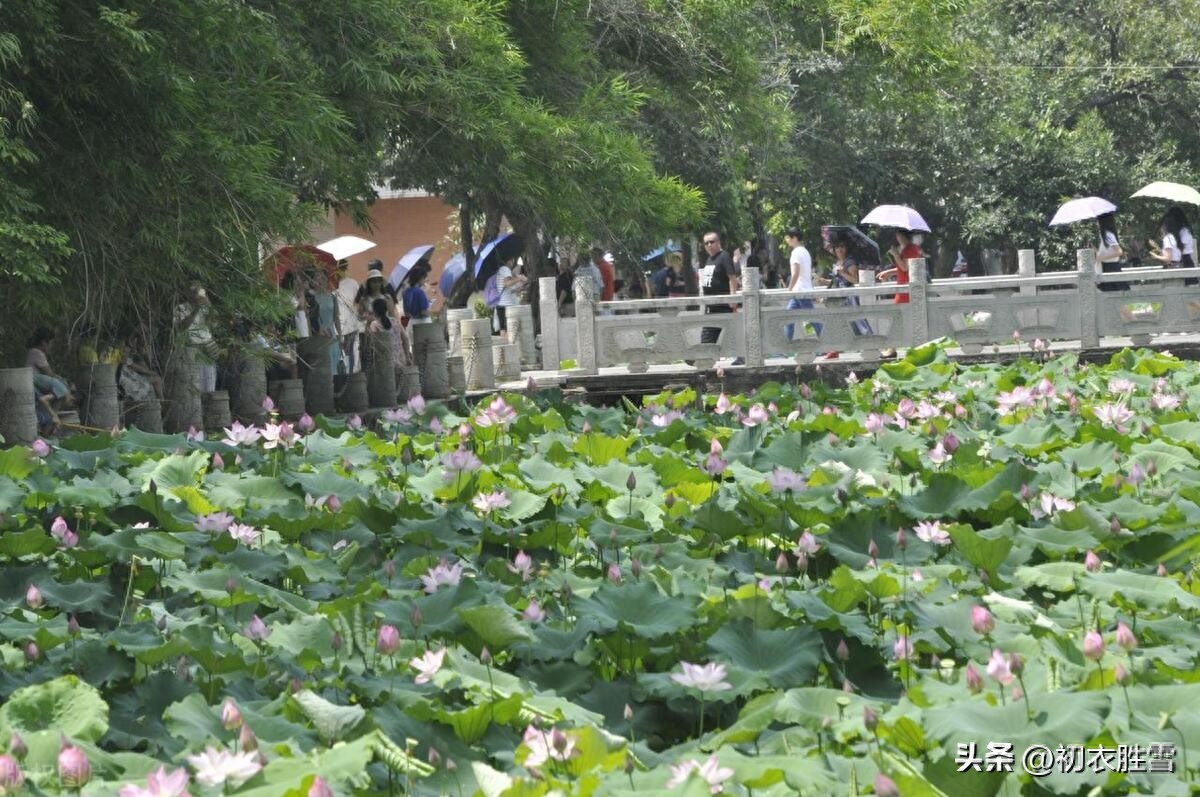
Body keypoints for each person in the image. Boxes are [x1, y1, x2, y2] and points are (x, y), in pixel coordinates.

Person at [174, 283, 218, 393]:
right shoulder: (180, 308)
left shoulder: (206, 308)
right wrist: (196, 309)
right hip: (191, 349)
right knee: (194, 383)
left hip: (208, 347)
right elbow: (181, 327)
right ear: (189, 294)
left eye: (201, 293)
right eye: (196, 293)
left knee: (209, 382)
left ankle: (209, 405)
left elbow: (215, 324)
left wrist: (208, 304)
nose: (198, 296)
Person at [698, 230, 738, 346]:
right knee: (710, 334)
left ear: (718, 242)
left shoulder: (724, 256)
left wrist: (733, 299)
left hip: (723, 305)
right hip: (711, 304)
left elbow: (732, 278)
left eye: (712, 242)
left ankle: (703, 355)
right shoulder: (709, 259)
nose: (709, 245)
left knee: (711, 334)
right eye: (706, 243)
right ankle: (704, 356)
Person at [25, 326, 75, 412]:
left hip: (37, 380)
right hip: (34, 379)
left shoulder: (34, 352)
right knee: (61, 385)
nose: (51, 346)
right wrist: (66, 382)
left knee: (61, 385)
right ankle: (58, 409)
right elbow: (49, 373)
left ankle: (54, 413)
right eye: (51, 343)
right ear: (44, 343)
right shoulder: (37, 353)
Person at [783, 226, 815, 343]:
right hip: (801, 291)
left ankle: (824, 343)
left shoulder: (796, 253)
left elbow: (795, 273)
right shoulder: (805, 251)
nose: (787, 240)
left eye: (788, 237)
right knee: (788, 318)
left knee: (812, 320)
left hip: (800, 291)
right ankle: (786, 344)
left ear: (794, 238)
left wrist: (789, 289)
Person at [335, 259, 364, 374]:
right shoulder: (331, 286)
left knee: (350, 351)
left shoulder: (352, 283)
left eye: (344, 268)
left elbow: (358, 301)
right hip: (338, 324)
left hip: (351, 323)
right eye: (340, 268)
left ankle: (350, 375)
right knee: (340, 352)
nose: (342, 270)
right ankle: (342, 375)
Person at [493, 256, 528, 333]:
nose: (513, 262)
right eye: (512, 260)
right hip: (507, 305)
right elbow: (507, 283)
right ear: (509, 260)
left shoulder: (499, 270)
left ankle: (506, 344)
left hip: (500, 304)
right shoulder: (505, 269)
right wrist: (520, 278)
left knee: (503, 330)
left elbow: (505, 288)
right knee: (510, 330)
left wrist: (517, 289)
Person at [1095, 212, 1128, 292]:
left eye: (1097, 220)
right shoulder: (1104, 235)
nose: (1096, 223)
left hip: (1111, 268)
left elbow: (1119, 251)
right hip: (1107, 267)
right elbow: (1108, 251)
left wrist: (1101, 258)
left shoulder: (1107, 235)